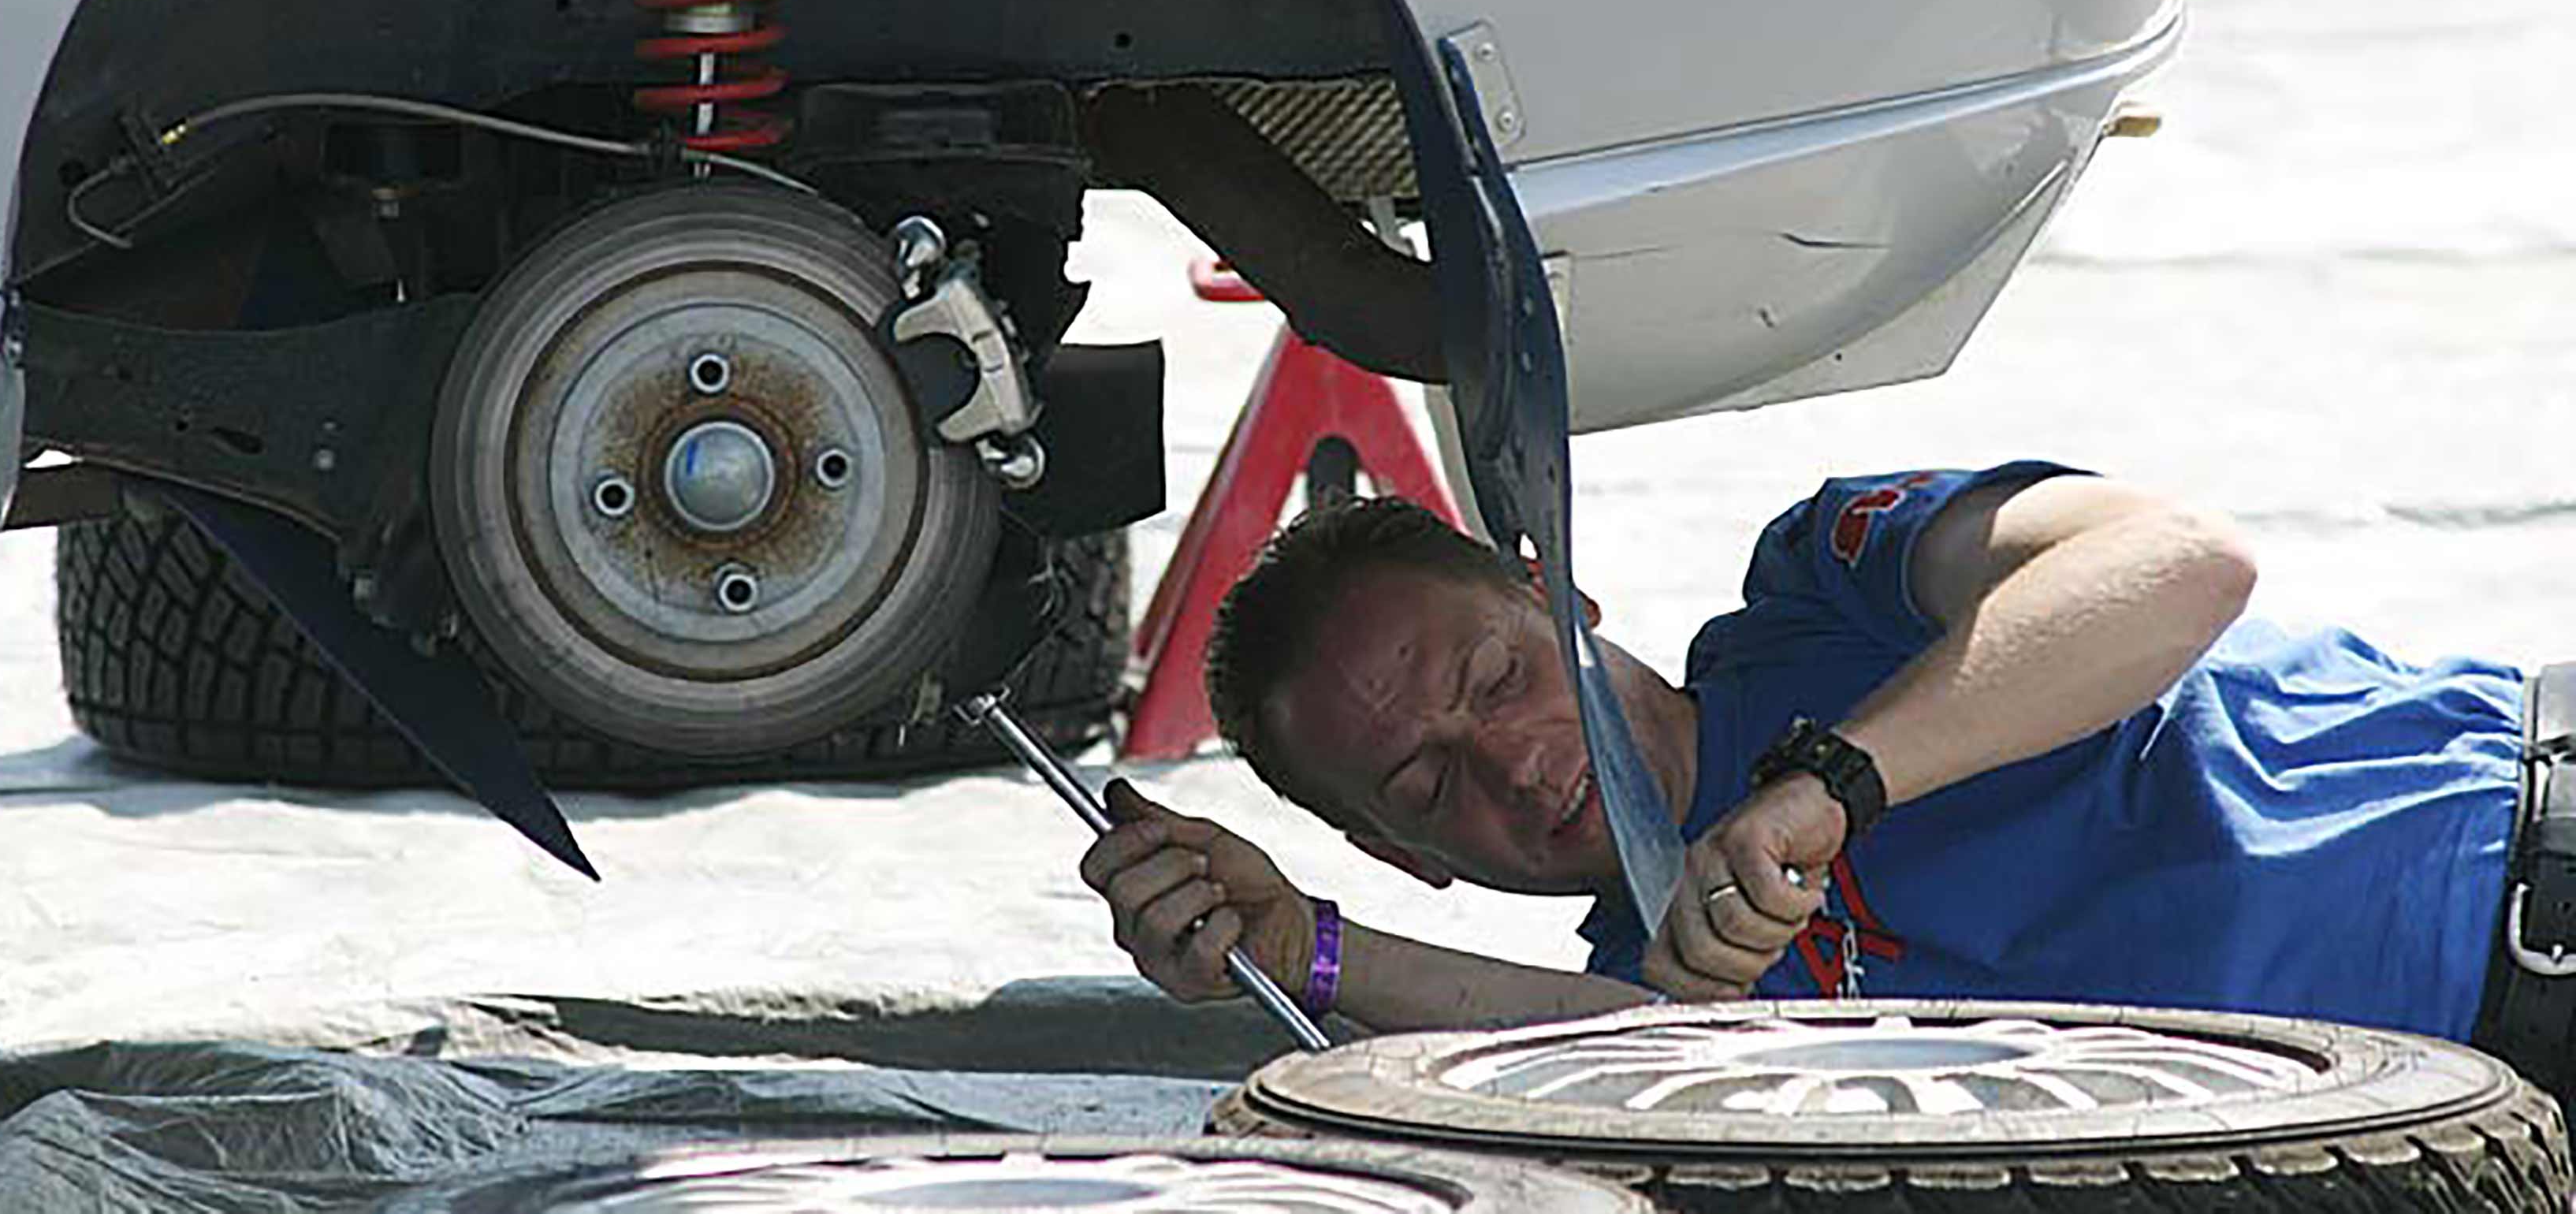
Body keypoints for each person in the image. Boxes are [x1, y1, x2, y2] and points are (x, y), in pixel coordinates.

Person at [1081, 461, 2574, 1100]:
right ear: (1409, 859)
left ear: (1562, 595)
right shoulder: (1651, 1012)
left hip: (2530, 839)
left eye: (1498, 674)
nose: (1516, 760)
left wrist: (1837, 780)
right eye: (1425, 783)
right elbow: (1650, 1064)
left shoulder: (1823, 585)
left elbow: (2182, 563)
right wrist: (1307, 950)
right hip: (2489, 1114)